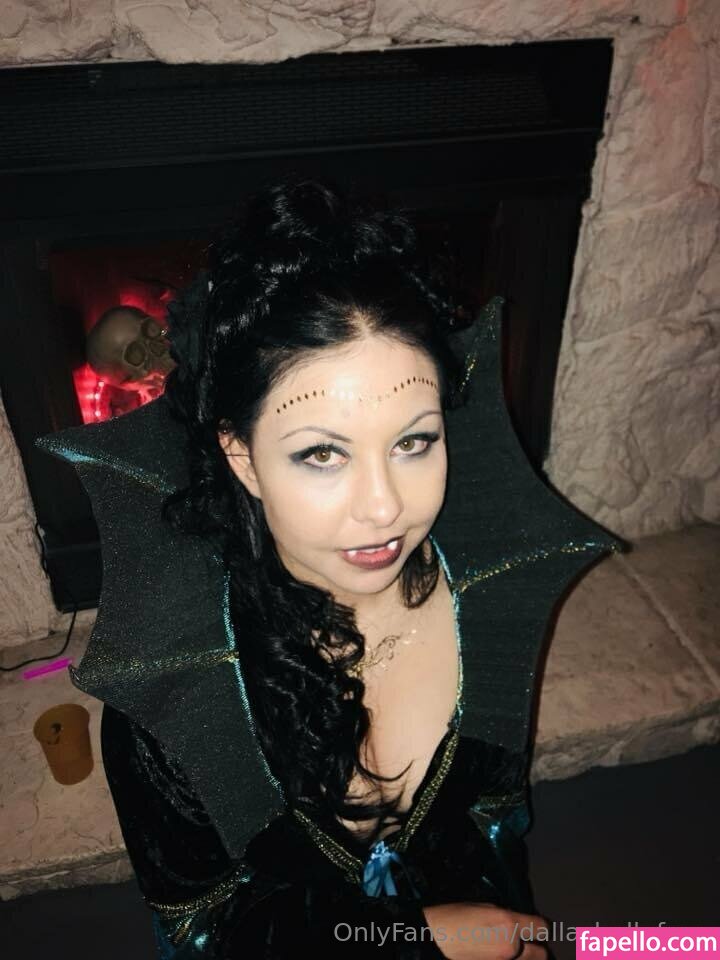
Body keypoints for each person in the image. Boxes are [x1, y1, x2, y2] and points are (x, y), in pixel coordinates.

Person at [35, 177, 623, 959]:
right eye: (321, 453)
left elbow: (491, 822)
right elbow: (207, 931)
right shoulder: (177, 700)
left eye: (414, 441)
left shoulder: (490, 598)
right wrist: (415, 939)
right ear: (241, 455)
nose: (385, 508)